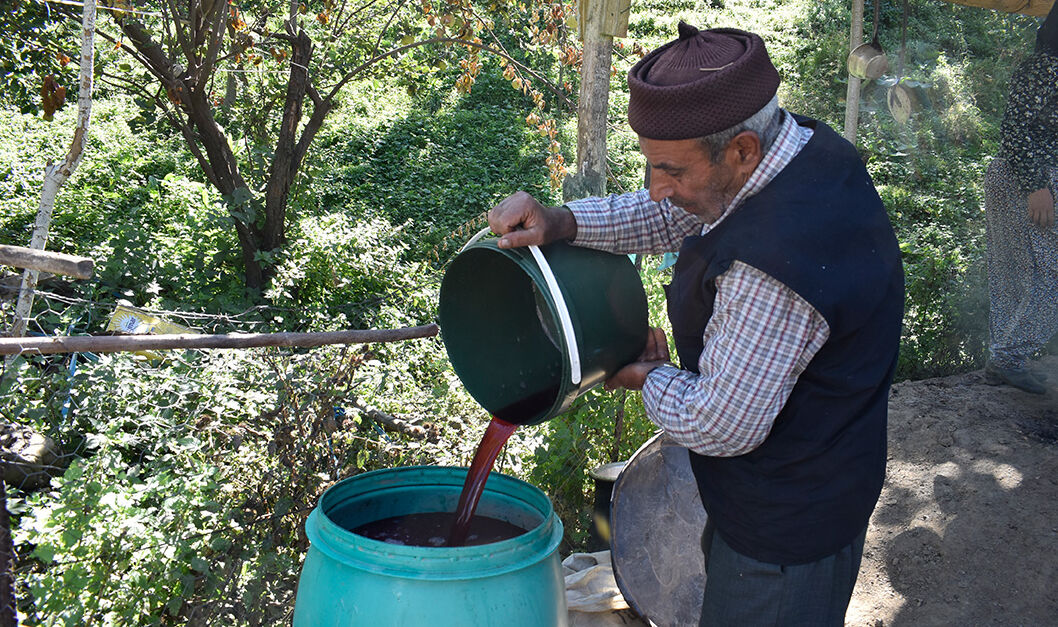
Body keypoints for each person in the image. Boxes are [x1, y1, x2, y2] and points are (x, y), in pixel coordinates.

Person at [488, 22, 904, 625]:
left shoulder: (776, 266)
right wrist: (560, 223)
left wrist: (644, 378)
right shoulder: (798, 148)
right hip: (801, 477)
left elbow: (720, 422)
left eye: (672, 172)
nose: (656, 190)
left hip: (788, 528)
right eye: (650, 166)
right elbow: (673, 216)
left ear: (741, 150)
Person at [983, 4, 1058, 395]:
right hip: (1029, 179)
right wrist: (1035, 184)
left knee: (1012, 271)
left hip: (1014, 176)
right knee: (1051, 271)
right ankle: (1009, 356)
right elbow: (1014, 129)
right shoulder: (1049, 67)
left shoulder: (1042, 65)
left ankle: (1006, 358)